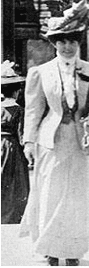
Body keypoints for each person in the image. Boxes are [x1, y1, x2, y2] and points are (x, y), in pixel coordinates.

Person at [19, 0, 89, 266]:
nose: (67, 46)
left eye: (72, 41)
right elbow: (33, 110)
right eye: (62, 41)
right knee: (51, 193)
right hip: (52, 140)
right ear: (54, 43)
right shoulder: (40, 73)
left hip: (81, 139)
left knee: (78, 195)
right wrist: (29, 142)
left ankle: (72, 250)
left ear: (79, 43)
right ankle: (51, 247)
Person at [1, 61, 30, 224]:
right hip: (11, 147)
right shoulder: (18, 110)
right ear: (18, 92)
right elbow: (21, 134)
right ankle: (12, 214)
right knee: (14, 180)